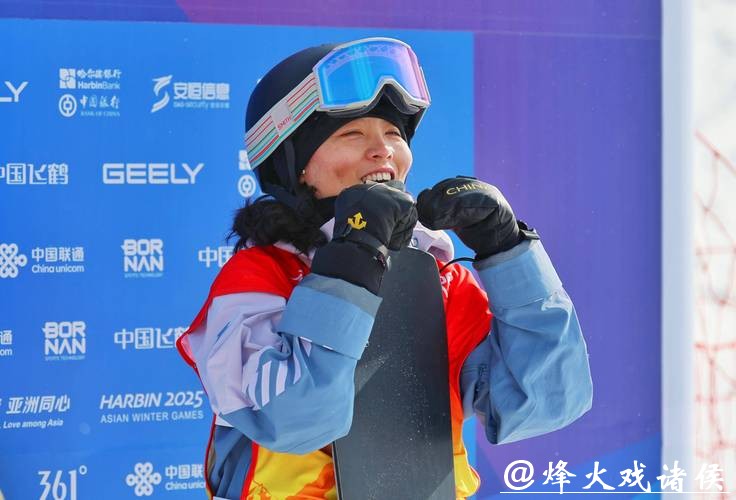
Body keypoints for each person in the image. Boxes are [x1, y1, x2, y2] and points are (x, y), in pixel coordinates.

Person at [177, 37, 593, 500]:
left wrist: (509, 250)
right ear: (294, 166)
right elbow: (293, 420)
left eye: (394, 134)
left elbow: (545, 402)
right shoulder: (258, 278)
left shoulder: (436, 280)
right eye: (352, 135)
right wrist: (351, 264)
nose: (383, 151)